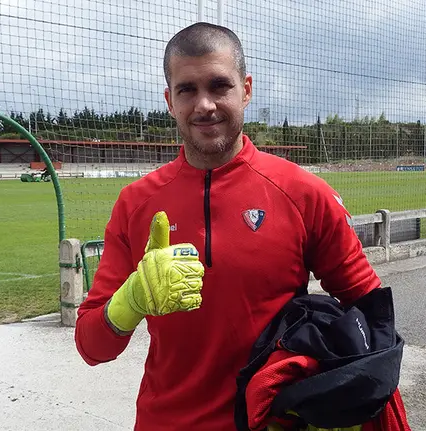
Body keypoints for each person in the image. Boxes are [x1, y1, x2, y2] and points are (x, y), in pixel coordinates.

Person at [74, 22, 383, 431]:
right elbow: (91, 347)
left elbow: (372, 314)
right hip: (163, 422)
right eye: (187, 89)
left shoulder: (304, 193)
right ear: (169, 100)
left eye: (219, 85)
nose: (204, 105)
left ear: (246, 89)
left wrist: (331, 398)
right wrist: (129, 301)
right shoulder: (136, 204)